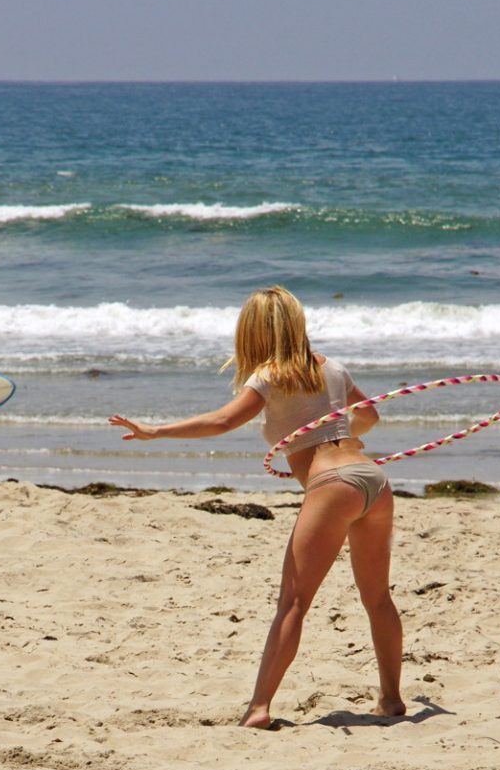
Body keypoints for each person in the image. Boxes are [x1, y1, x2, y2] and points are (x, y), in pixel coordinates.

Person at [109, 285, 404, 728]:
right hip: (373, 480)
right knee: (377, 597)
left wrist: (156, 431)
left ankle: (259, 708)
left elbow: (223, 421)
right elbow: (370, 417)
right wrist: (348, 432)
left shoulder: (269, 376)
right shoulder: (333, 367)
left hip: (331, 485)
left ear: (252, 332)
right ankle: (392, 700)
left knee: (293, 603)